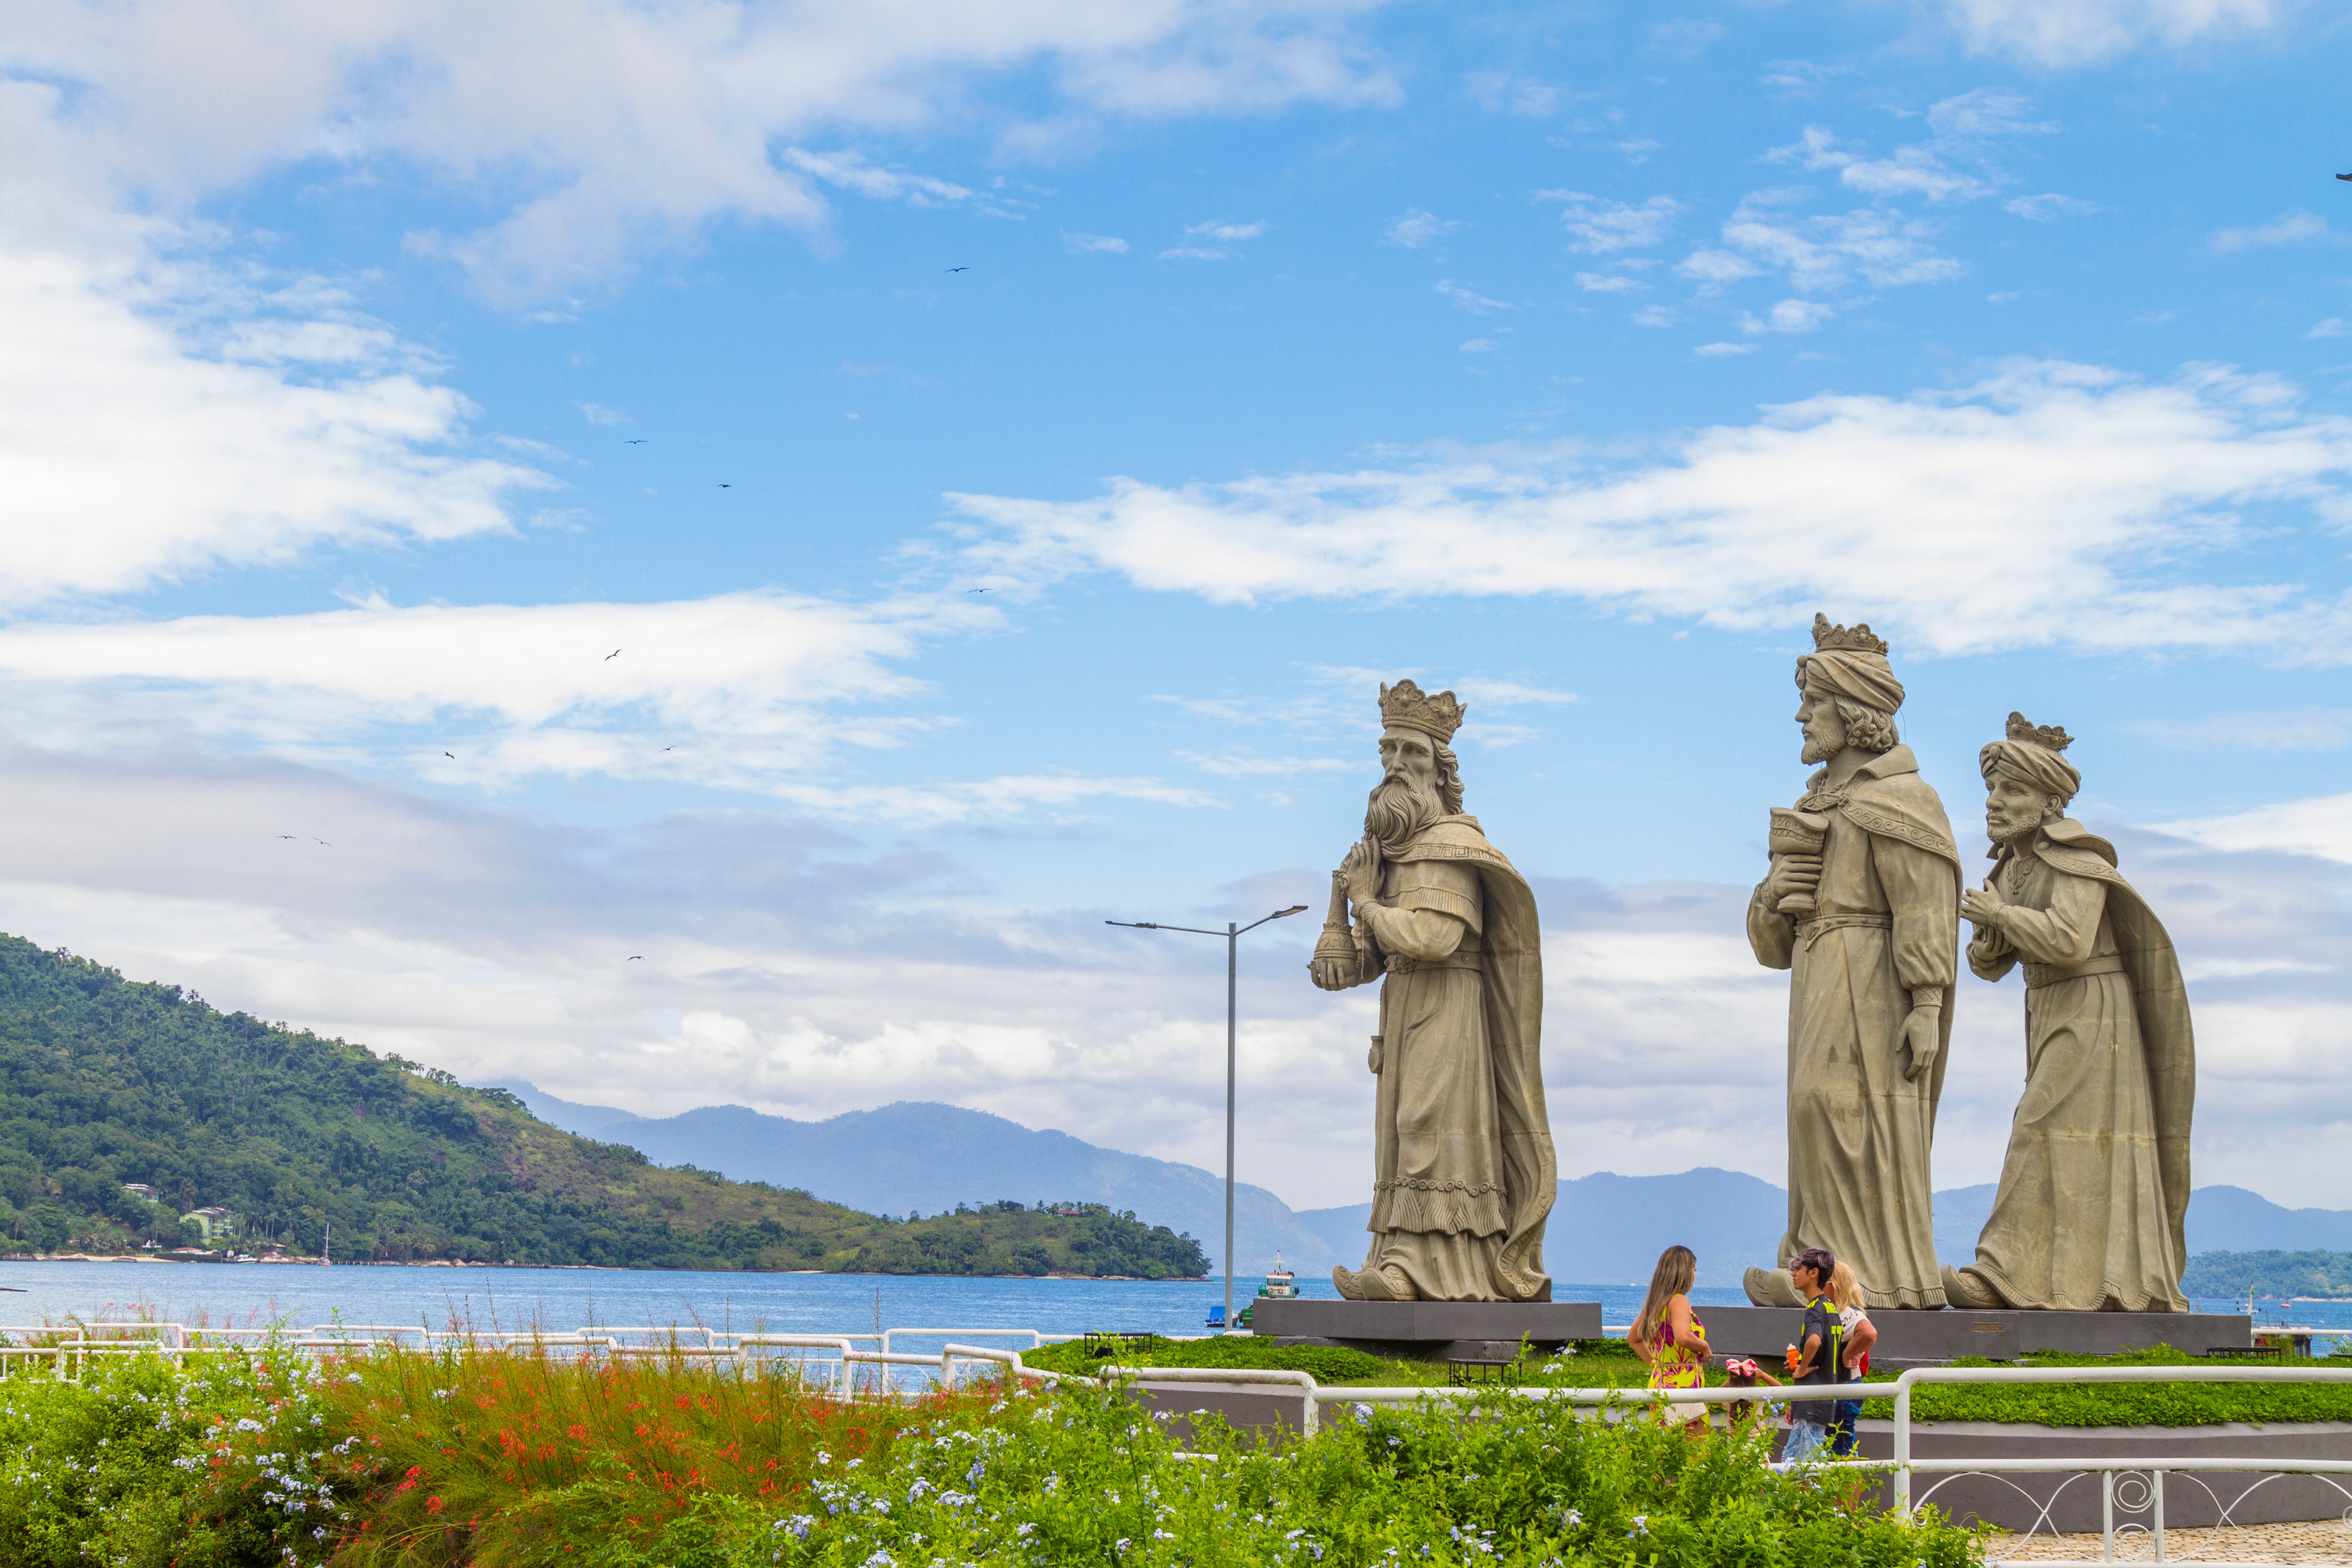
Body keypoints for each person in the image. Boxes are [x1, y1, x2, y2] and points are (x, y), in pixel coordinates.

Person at [1311, 680, 1555, 1302]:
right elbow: (1384, 953)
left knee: (1430, 1133)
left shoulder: (1451, 847)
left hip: (1449, 1009)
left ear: (1438, 770)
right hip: (1404, 1005)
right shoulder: (1390, 853)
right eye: (1388, 750)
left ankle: (1429, 1270)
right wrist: (1346, 943)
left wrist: (1365, 900)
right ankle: (1396, 1259)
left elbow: (1433, 936)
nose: (1395, 765)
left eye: (1411, 754)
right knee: (1400, 1137)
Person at [1744, 616, 1962, 1310]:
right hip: (1815, 967)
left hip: (1870, 974)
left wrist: (1926, 1000)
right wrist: (1774, 898)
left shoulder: (1902, 801)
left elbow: (1924, 906)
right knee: (1811, 1112)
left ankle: (1852, 1273)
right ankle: (1814, 1265)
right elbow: (1769, 945)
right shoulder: (1815, 804)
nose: (1802, 716)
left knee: (1846, 1110)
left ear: (1854, 712)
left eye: (1815, 704)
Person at [1945, 713, 2194, 1313]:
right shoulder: (2012, 868)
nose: (1994, 802)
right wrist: (1986, 932)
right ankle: (2074, 1285)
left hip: (2093, 1008)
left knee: (2037, 1125)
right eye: (1991, 789)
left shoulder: (2076, 860)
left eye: (2012, 790)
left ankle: (2000, 1272)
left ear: (2049, 800)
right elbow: (1991, 965)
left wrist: (2002, 917)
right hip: (2049, 1004)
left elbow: (2067, 939)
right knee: (2071, 1143)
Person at [1628, 1245, 1711, 1434]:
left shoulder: (1656, 1304)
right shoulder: (1679, 1300)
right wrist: (1703, 1345)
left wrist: (1656, 1364)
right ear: (1683, 1272)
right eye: (1694, 1270)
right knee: (1695, 1455)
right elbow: (1682, 1337)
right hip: (1683, 1386)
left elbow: (1633, 1339)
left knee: (1669, 1454)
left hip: (1660, 1383)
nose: (1694, 1276)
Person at [1781, 1247, 1845, 1463]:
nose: (1793, 1274)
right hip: (1820, 1401)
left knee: (1806, 1468)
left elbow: (1815, 1341)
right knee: (1799, 1464)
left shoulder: (1815, 1309)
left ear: (1814, 1273)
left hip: (1812, 1403)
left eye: (1798, 1269)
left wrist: (1800, 1369)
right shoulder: (1832, 1309)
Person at [1826, 1259, 1878, 1456]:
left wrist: (1846, 1356)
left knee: (1842, 1454)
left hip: (1844, 1388)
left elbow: (1869, 1334)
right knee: (1841, 1452)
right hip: (1843, 1389)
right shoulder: (1840, 1313)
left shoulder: (1846, 1314)